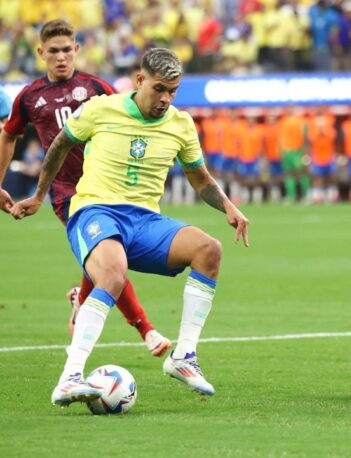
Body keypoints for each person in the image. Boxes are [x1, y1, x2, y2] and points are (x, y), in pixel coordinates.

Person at [10, 48, 250, 405]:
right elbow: (61, 145)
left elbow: (200, 179)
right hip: (95, 211)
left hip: (145, 221)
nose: (166, 99)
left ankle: (183, 357)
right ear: (140, 81)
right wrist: (39, 195)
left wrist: (228, 206)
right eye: (159, 89)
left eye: (173, 91)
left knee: (208, 249)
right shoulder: (101, 109)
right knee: (113, 273)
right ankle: (69, 377)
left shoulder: (180, 124)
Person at [0, 19, 170, 356]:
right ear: (41, 53)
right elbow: (8, 134)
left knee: (106, 258)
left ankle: (83, 295)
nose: (61, 57)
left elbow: (130, 117)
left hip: (106, 188)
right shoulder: (30, 97)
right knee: (111, 262)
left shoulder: (96, 88)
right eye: (53, 51)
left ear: (76, 50)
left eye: (67, 50)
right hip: (67, 194)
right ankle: (146, 329)